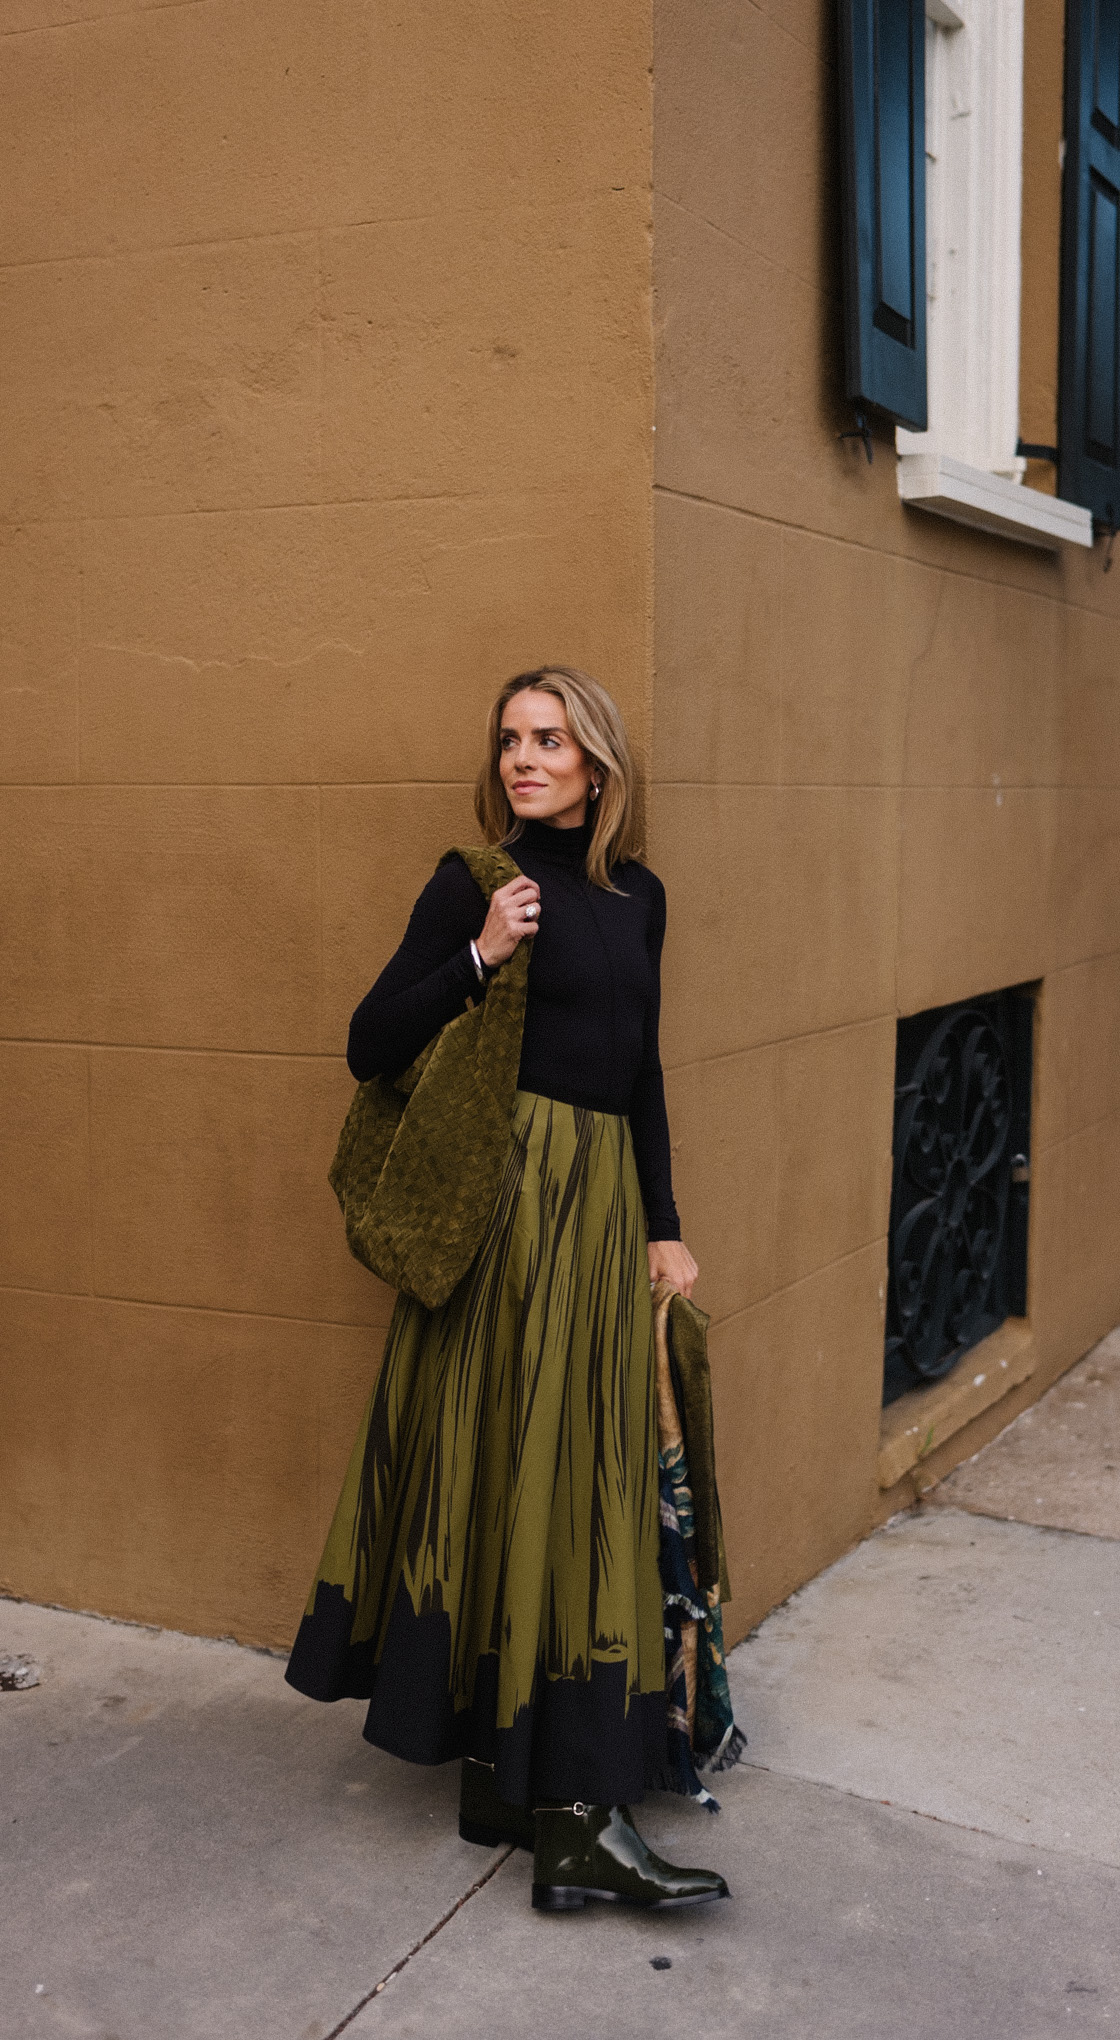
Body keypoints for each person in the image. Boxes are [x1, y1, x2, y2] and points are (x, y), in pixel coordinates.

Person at [285, 666, 729, 1913]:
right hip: (506, 1219)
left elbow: (639, 1074)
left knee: (571, 1476)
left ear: (599, 762)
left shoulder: (639, 900)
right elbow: (371, 1043)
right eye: (510, 741)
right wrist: (481, 956)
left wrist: (665, 1228)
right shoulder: (479, 885)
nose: (524, 759)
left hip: (597, 1219)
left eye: (549, 739)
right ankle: (571, 1813)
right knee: (525, 1476)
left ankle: (505, 1776)